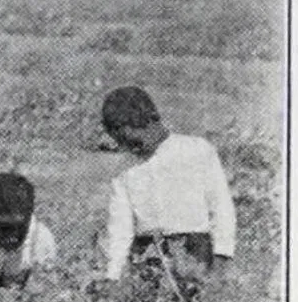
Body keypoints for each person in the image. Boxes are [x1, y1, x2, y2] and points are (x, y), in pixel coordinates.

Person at [98, 86, 236, 281]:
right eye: (124, 145)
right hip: (148, 255)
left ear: (151, 120)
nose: (130, 149)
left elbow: (221, 208)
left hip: (195, 253)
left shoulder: (196, 150)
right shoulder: (123, 171)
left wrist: (222, 256)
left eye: (135, 142)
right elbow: (119, 228)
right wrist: (113, 276)